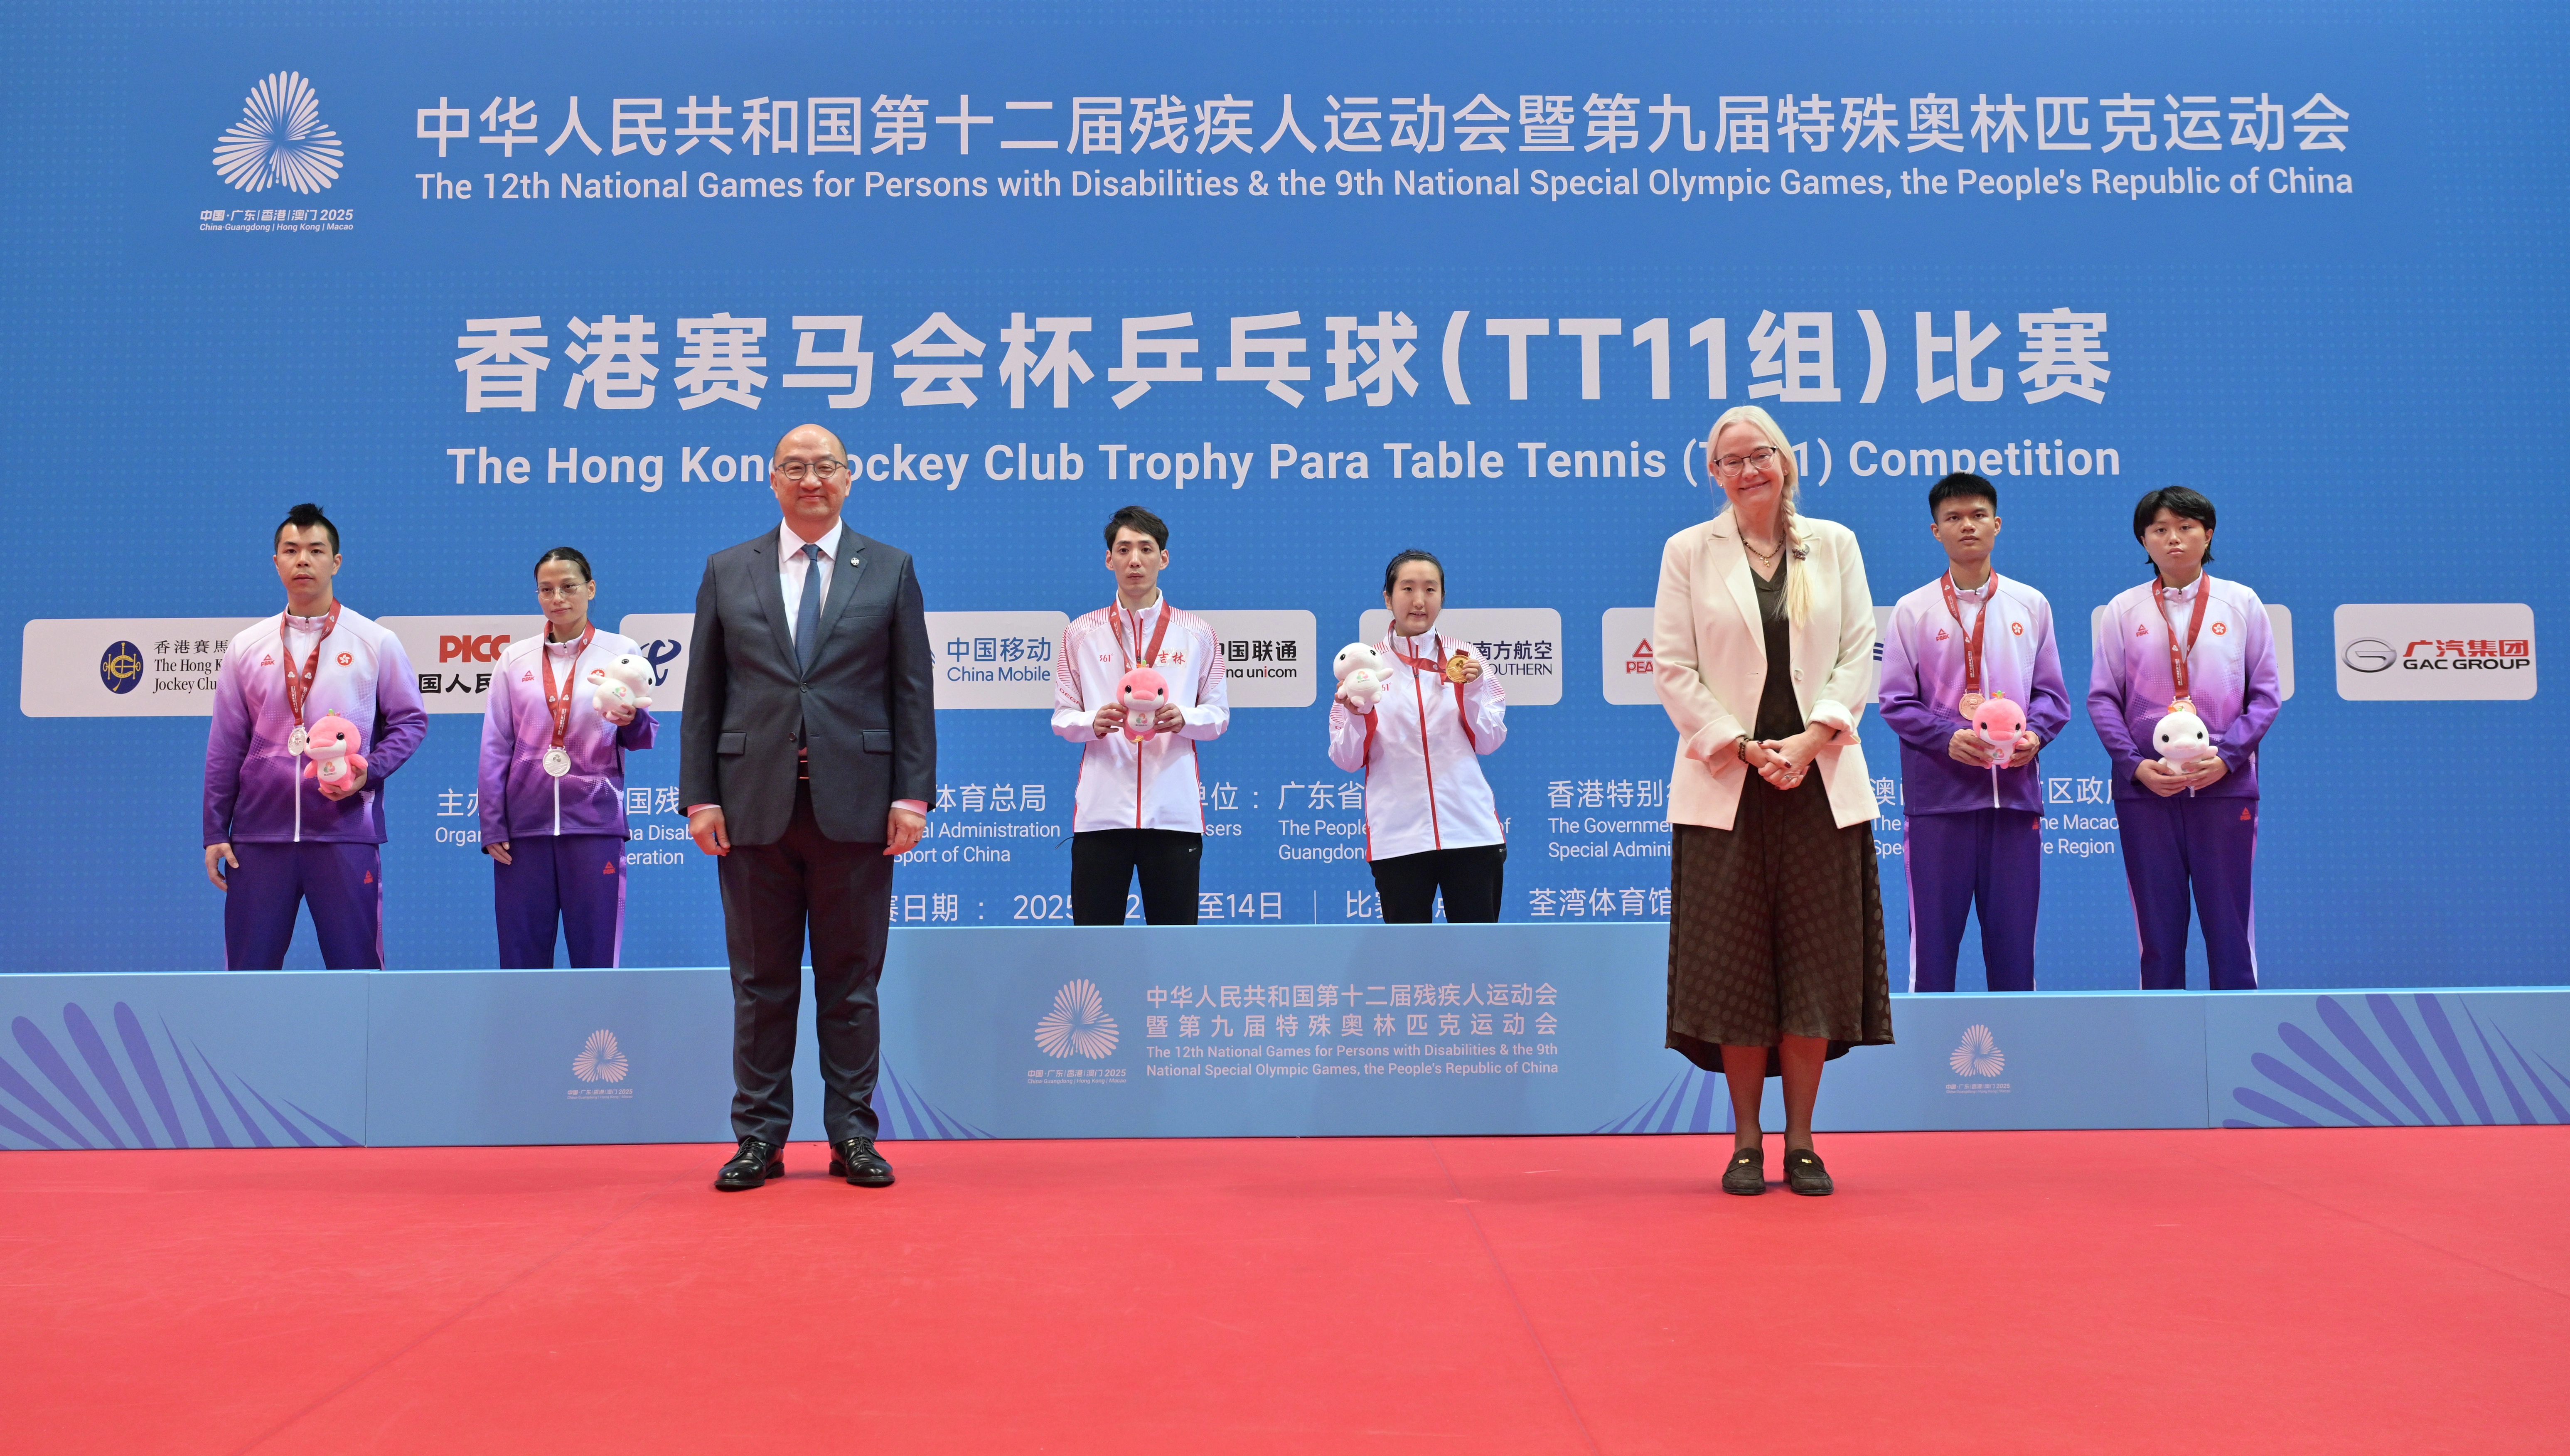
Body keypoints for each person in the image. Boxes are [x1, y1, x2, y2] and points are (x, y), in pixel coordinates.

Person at [682, 425, 935, 1192]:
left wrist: (912, 794)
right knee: (760, 982)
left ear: (849, 478)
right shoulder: (730, 569)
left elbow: (912, 691)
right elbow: (704, 693)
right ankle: (757, 1136)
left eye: (825, 466)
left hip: (856, 807)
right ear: (772, 479)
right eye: (796, 467)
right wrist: (699, 795)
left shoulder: (889, 569)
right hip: (753, 804)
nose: (811, 479)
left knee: (851, 979)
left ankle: (853, 1134)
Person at [1653, 406, 1890, 1198]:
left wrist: (1813, 738)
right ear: (1713, 472)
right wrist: (1743, 745)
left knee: (1813, 969)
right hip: (1730, 784)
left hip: (1817, 780)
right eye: (1731, 459)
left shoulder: (1837, 544)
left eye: (1762, 455)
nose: (1749, 469)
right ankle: (1747, 1139)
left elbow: (1861, 650)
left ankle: (1803, 1140)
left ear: (1788, 463)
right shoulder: (1689, 551)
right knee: (1740, 971)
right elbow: (1675, 668)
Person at [202, 503, 429, 969]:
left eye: (315, 550)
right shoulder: (246, 647)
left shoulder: (374, 641)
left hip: (345, 833)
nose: (302, 560)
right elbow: (226, 745)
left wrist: (369, 772)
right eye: (291, 550)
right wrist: (213, 830)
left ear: (336, 562)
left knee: (357, 976)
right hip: (259, 839)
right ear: (276, 563)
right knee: (248, 977)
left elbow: (410, 722)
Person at [1877, 474, 2069, 991]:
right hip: (1939, 804)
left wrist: (2035, 737)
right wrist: (1946, 738)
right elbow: (1894, 702)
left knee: (2013, 958)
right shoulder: (1911, 610)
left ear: (1997, 525)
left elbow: (2053, 698)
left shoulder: (2031, 605)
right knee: (1933, 957)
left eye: (1978, 515)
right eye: (1953, 518)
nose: (1967, 526)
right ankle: (1926, 1069)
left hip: (2013, 800)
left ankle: (2020, 1066)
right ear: (1934, 531)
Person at [2088, 487, 2280, 990]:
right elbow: (2102, 698)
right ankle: (2163, 1059)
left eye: (2186, 527)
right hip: (2146, 792)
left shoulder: (2241, 603)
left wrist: (2229, 758)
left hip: (2223, 787)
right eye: (2159, 530)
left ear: (2207, 533)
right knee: (2158, 938)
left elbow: (2264, 696)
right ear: (2143, 540)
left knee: (2230, 933)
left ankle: (2239, 1051)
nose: (2173, 539)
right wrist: (2133, 766)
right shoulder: (2122, 610)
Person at [477, 547, 656, 968]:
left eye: (569, 587)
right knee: (521, 962)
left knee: (597, 960)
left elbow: (642, 735)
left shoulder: (620, 651)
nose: (558, 598)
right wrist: (492, 824)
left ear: (590, 589)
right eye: (547, 590)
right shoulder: (513, 659)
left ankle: (593, 1036)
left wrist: (631, 719)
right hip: (524, 833)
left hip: (595, 825)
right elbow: (495, 745)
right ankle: (526, 1037)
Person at [1050, 505, 1230, 925]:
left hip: (1174, 815)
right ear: (1108, 559)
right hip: (1100, 815)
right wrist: (1090, 722)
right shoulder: (1080, 633)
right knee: (1095, 944)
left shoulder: (1198, 633)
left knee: (1174, 943)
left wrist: (1183, 717)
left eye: (1146, 549)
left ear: (1163, 559)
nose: (1135, 560)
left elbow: (1218, 717)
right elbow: (1062, 718)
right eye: (1124, 549)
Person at [1327, 550, 1508, 922]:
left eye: (1430, 589)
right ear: (1387, 598)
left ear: (1443, 596)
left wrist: (1471, 692)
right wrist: (1357, 713)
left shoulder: (1466, 658)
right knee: (1408, 969)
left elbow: (1490, 741)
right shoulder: (1361, 665)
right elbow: (1345, 759)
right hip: (1398, 839)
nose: (1419, 600)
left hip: (1471, 834)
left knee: (1478, 961)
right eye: (1407, 588)